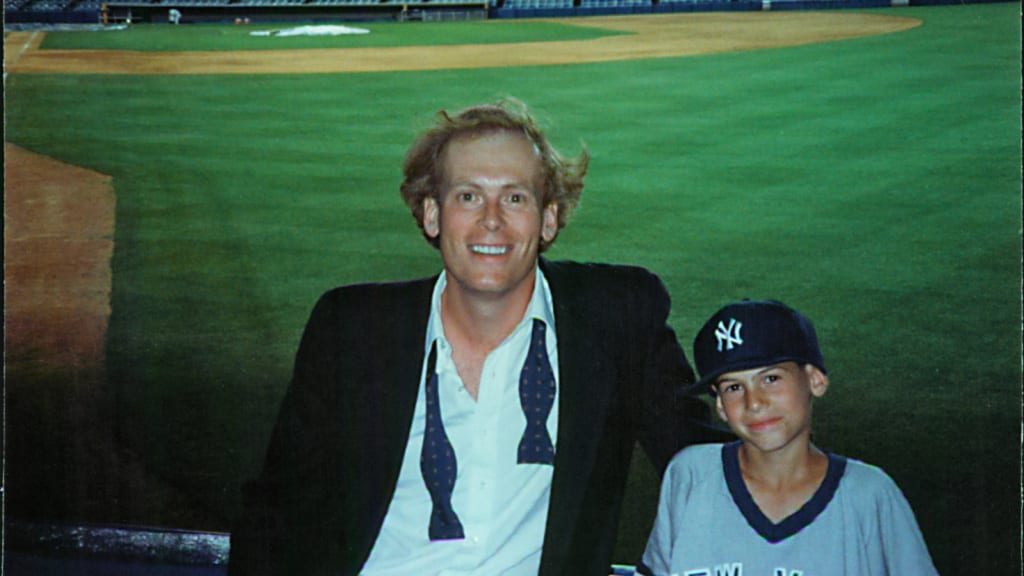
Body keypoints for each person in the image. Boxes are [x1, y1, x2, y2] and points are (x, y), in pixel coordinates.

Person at [228, 98, 730, 576]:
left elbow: (708, 466)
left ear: (548, 218)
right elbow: (276, 510)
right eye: (468, 196)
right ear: (432, 213)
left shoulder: (617, 318)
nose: (491, 219)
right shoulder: (351, 329)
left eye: (514, 197)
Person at [638, 300, 939, 576]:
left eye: (771, 378)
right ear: (719, 405)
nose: (754, 402)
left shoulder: (869, 495)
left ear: (815, 380)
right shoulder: (690, 476)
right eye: (733, 387)